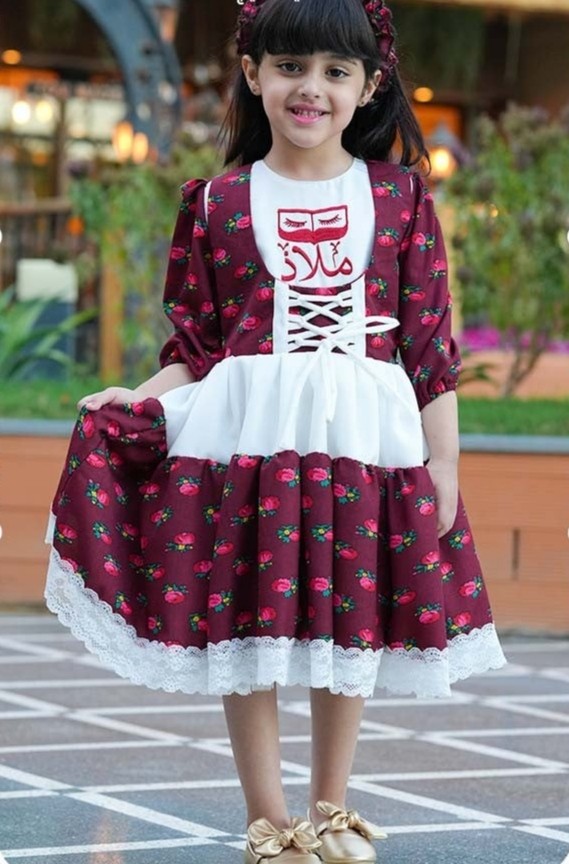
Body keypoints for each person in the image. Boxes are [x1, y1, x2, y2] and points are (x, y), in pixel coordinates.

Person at [45, 1, 507, 861]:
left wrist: (443, 459)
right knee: (243, 624)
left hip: (365, 439)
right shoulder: (218, 201)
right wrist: (136, 397)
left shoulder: (399, 197)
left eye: (335, 71)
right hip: (248, 439)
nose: (311, 89)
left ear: (369, 85)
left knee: (350, 617)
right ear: (253, 73)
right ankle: (268, 820)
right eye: (290, 66)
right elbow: (199, 344)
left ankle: (330, 809)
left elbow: (426, 342)